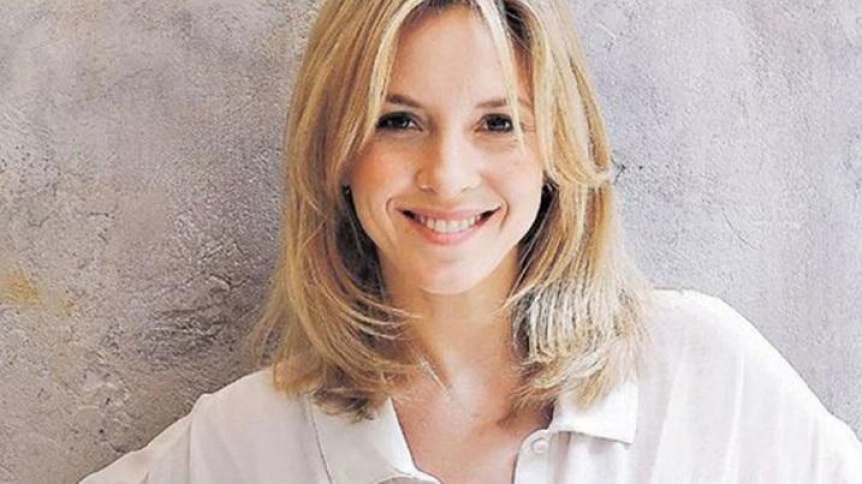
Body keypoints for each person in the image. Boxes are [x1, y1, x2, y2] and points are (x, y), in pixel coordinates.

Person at [81, 0, 862, 483]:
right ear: (336, 151)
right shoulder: (249, 440)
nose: (447, 175)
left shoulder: (703, 374)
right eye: (398, 120)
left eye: (498, 122)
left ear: (557, 146)